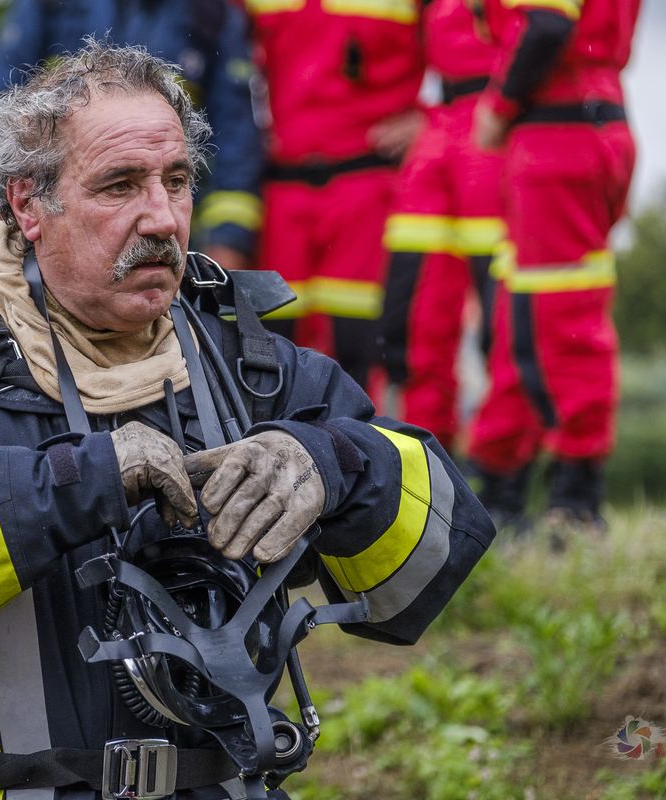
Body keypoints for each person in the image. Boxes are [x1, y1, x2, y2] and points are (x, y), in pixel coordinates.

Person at [0, 41, 494, 800]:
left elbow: (424, 576)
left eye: (177, 181)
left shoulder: (248, 363)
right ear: (30, 205)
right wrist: (77, 479)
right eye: (120, 185)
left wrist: (336, 465)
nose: (160, 216)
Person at [464, 0, 640, 528]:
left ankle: (575, 500)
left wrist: (497, 104)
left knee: (561, 325)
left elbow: (546, 24)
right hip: (562, 132)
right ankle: (500, 492)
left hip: (558, 136)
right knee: (519, 323)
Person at [0, 0, 265, 272]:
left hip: (176, 235)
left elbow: (236, 140)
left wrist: (229, 239)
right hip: (57, 216)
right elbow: (3, 111)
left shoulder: (213, 14)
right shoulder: (50, 5)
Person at [243, 0, 426, 391]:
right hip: (278, 189)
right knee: (270, 347)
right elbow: (214, 52)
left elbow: (478, 47)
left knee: (357, 344)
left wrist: (433, 117)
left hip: (367, 184)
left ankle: (357, 445)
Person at [377, 0, 506, 454]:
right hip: (442, 124)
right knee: (411, 317)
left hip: (500, 121)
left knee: (506, 319)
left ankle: (505, 475)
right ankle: (424, 464)